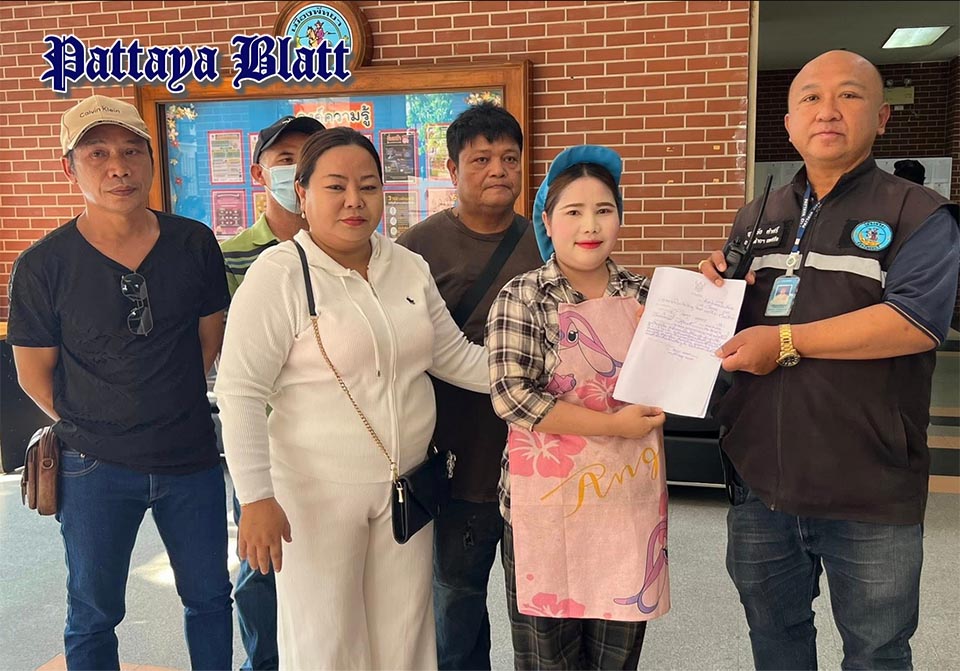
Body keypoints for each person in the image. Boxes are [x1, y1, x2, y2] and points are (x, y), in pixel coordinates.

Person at [698, 50, 959, 670]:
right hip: (762, 481)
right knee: (775, 640)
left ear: (882, 117)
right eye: (811, 97)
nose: (828, 110)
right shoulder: (758, 215)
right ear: (789, 123)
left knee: (877, 652)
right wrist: (712, 291)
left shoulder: (918, 213)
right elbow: (737, 325)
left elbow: (914, 322)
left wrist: (787, 341)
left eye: (849, 95)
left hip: (869, 487)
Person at [214, 127, 489, 669]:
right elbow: (240, 390)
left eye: (367, 186)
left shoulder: (406, 266)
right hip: (314, 494)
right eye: (335, 186)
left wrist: (543, 374)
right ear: (302, 193)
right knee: (327, 642)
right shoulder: (278, 275)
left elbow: (453, 356)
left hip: (406, 489)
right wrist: (256, 498)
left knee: (405, 636)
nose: (354, 201)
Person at [7, 94, 233, 670]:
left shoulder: (193, 243)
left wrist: (164, 405)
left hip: (190, 458)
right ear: (69, 167)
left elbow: (209, 340)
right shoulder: (43, 265)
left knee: (210, 598)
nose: (118, 167)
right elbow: (33, 372)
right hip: (93, 466)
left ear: (152, 160)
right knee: (93, 612)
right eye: (98, 154)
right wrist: (98, 424)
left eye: (132, 151)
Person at [486, 145, 669, 670]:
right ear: (546, 221)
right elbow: (512, 396)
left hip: (626, 499)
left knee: (617, 656)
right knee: (548, 658)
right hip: (544, 508)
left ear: (620, 218)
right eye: (573, 211)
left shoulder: (647, 296)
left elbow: (676, 384)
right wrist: (613, 424)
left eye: (604, 210)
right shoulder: (523, 296)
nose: (590, 225)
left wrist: (697, 315)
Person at [396, 102, 541, 671]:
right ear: (453, 170)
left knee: (540, 611)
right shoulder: (414, 248)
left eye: (509, 158)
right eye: (481, 159)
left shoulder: (546, 240)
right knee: (455, 607)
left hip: (538, 459)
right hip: (456, 459)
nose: (498, 169)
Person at [219, 113, 324, 671]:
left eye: (308, 157)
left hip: (332, 444)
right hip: (263, 445)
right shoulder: (231, 256)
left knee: (328, 567)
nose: (296, 170)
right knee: (262, 567)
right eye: (284, 160)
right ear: (260, 173)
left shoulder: (351, 249)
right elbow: (229, 364)